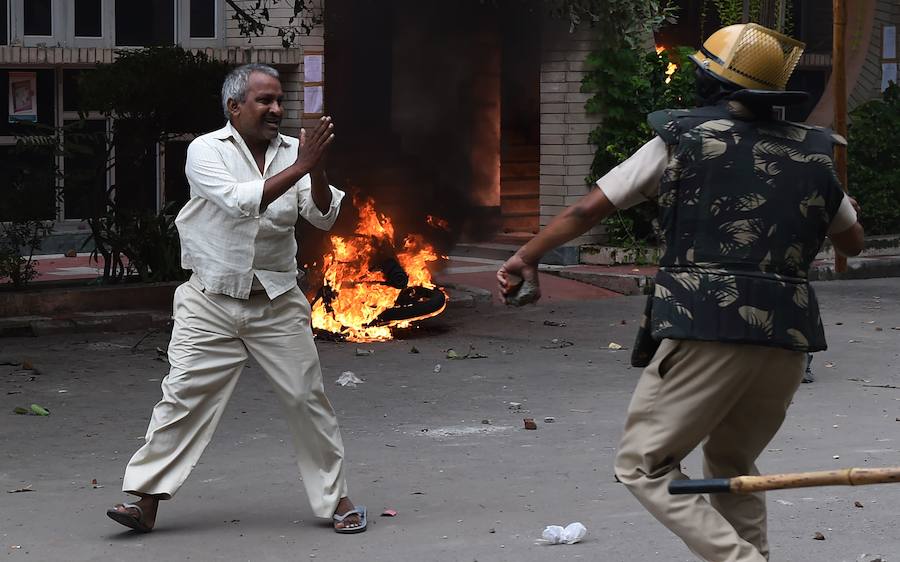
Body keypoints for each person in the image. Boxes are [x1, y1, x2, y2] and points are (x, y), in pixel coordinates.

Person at [497, 24, 863, 561]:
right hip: (788, 335)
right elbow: (851, 240)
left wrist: (526, 256)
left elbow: (586, 210)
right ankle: (752, 553)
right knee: (733, 463)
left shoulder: (682, 139)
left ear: (711, 83)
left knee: (643, 466)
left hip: (707, 323)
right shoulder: (813, 154)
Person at [106, 64, 366, 534]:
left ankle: (338, 501)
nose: (277, 110)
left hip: (276, 300)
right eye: (265, 100)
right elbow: (239, 202)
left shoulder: (295, 152)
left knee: (308, 399)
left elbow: (324, 216)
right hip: (209, 300)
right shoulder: (206, 150)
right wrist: (303, 166)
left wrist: (317, 166)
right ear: (234, 107)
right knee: (182, 398)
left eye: (280, 101)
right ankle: (144, 501)